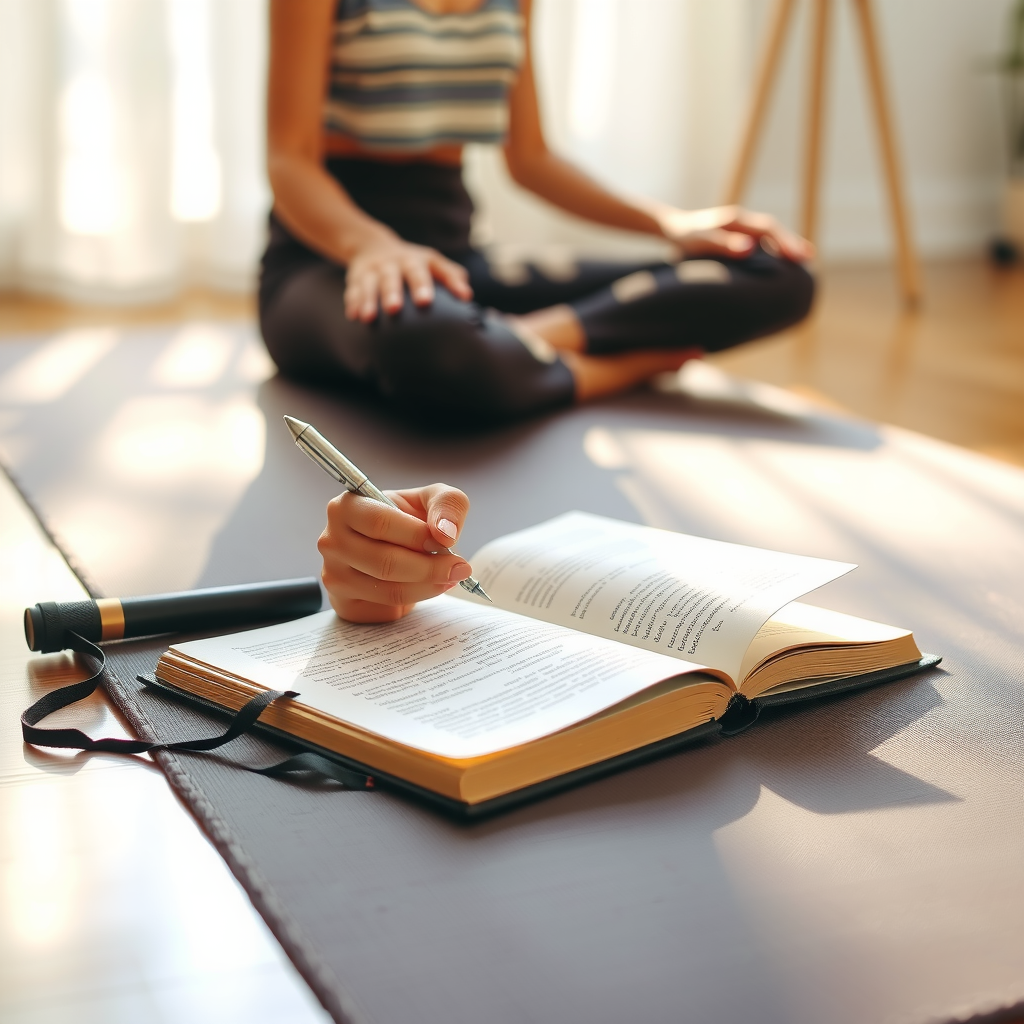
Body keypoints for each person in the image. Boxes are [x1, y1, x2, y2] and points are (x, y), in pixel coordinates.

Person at [261, 0, 816, 426]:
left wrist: (670, 225)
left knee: (776, 272)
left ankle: (519, 342)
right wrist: (372, 245)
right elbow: (289, 161)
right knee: (438, 350)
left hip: (456, 269)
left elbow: (532, 159)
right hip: (326, 266)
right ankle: (621, 365)